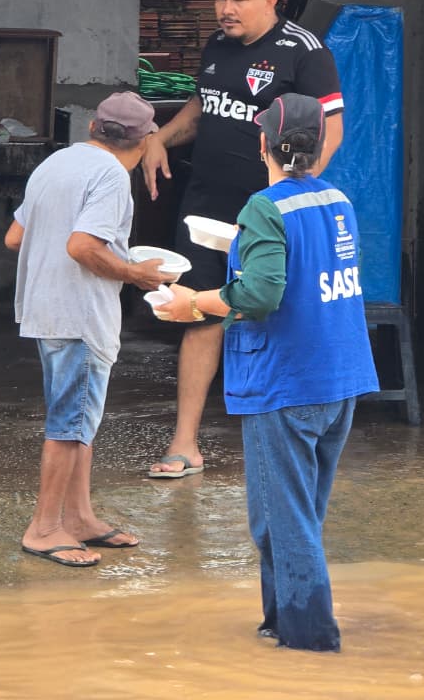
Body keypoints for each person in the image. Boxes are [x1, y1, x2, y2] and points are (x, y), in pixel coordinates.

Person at [157, 94, 378, 651]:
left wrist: (196, 304)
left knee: (283, 521)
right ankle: (280, 624)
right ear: (317, 145)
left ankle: (310, 642)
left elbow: (260, 294)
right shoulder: (338, 199)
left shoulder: (263, 207)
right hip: (341, 378)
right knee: (300, 515)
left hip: (287, 382)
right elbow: (311, 265)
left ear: (264, 145)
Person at [141, 0, 345, 478]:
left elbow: (331, 132)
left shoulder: (304, 51)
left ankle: (290, 438)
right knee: (199, 311)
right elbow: (202, 106)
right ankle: (184, 443)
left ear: (270, 1)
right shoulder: (217, 47)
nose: (225, 10)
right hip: (206, 203)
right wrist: (160, 138)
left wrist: (288, 197)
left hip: (268, 211)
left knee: (274, 307)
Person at [4, 91, 169, 567]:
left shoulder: (56, 163)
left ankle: (78, 517)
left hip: (45, 308)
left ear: (94, 128)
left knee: (79, 420)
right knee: (68, 425)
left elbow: (16, 236)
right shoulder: (112, 176)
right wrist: (137, 273)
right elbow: (81, 247)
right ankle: (43, 527)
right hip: (79, 314)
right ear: (142, 140)